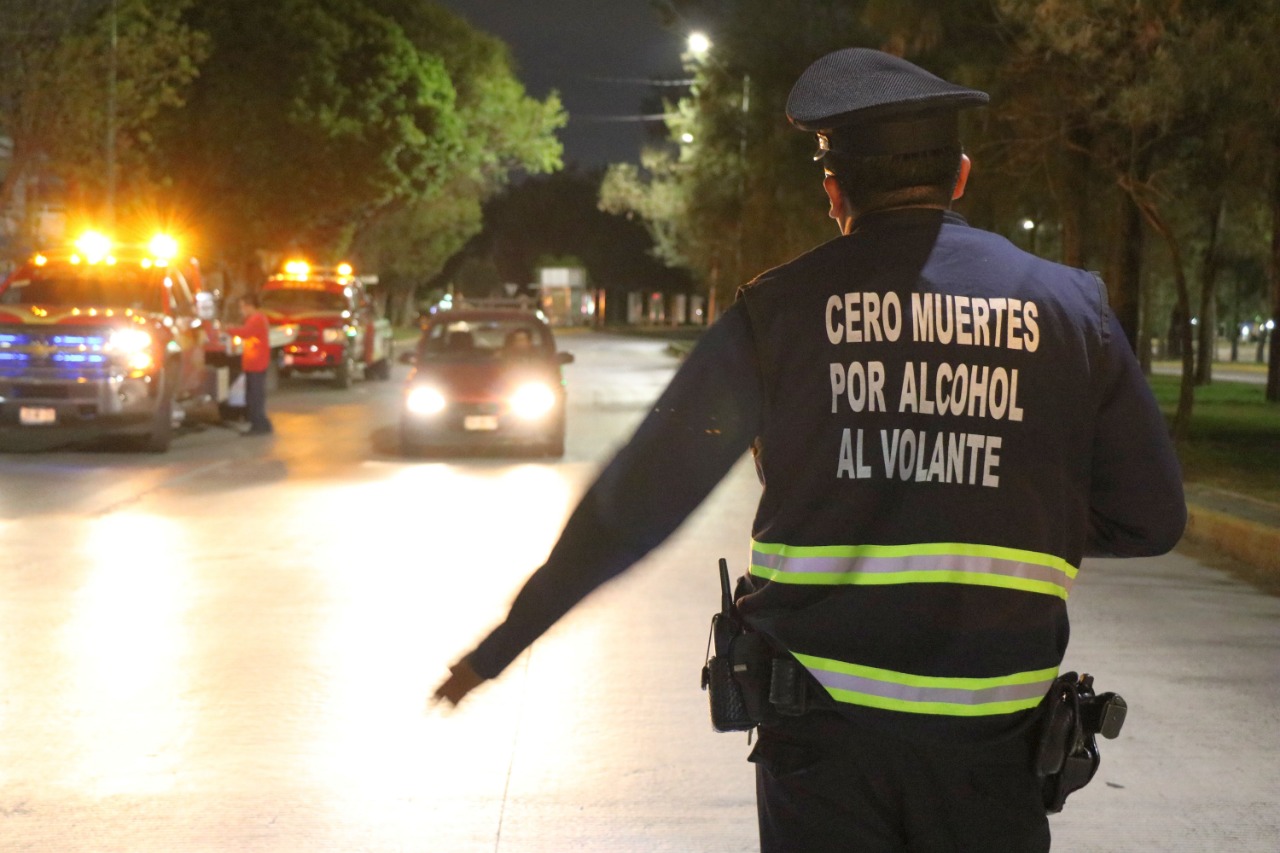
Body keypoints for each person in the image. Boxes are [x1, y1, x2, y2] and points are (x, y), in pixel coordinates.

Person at [433, 47, 1186, 852]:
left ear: (835, 189)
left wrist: (505, 642)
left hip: (822, 747)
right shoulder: (1072, 310)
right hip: (995, 754)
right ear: (959, 176)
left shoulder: (779, 313)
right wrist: (1011, 507)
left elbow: (643, 494)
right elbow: (1152, 518)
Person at [228, 292, 274, 436]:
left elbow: (246, 333)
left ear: (249, 306)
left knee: (254, 397)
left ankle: (258, 426)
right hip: (253, 364)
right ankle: (263, 424)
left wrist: (227, 330)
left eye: (242, 307)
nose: (241, 310)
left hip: (256, 364)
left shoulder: (256, 319)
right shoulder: (255, 319)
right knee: (255, 395)